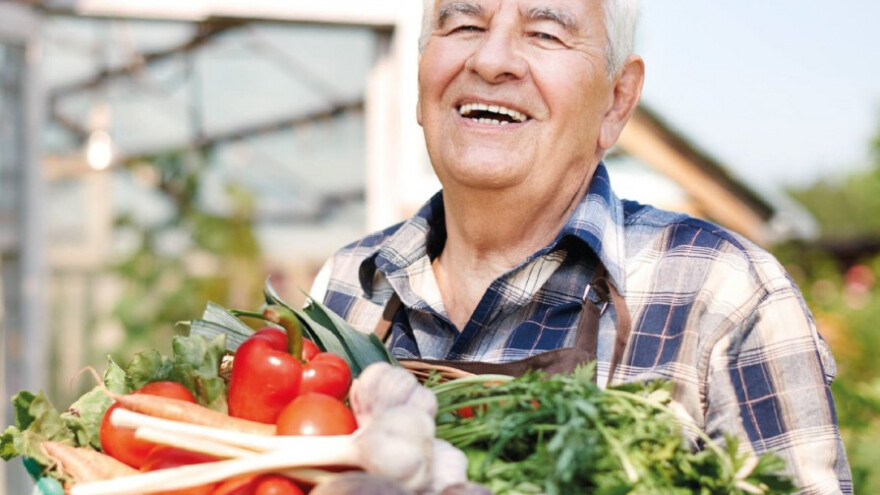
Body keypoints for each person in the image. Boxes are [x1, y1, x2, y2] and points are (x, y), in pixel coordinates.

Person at [312, 0, 852, 492]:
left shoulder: (722, 292)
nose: (491, 58)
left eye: (545, 33)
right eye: (465, 24)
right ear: (420, 76)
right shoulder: (346, 285)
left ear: (617, 100)